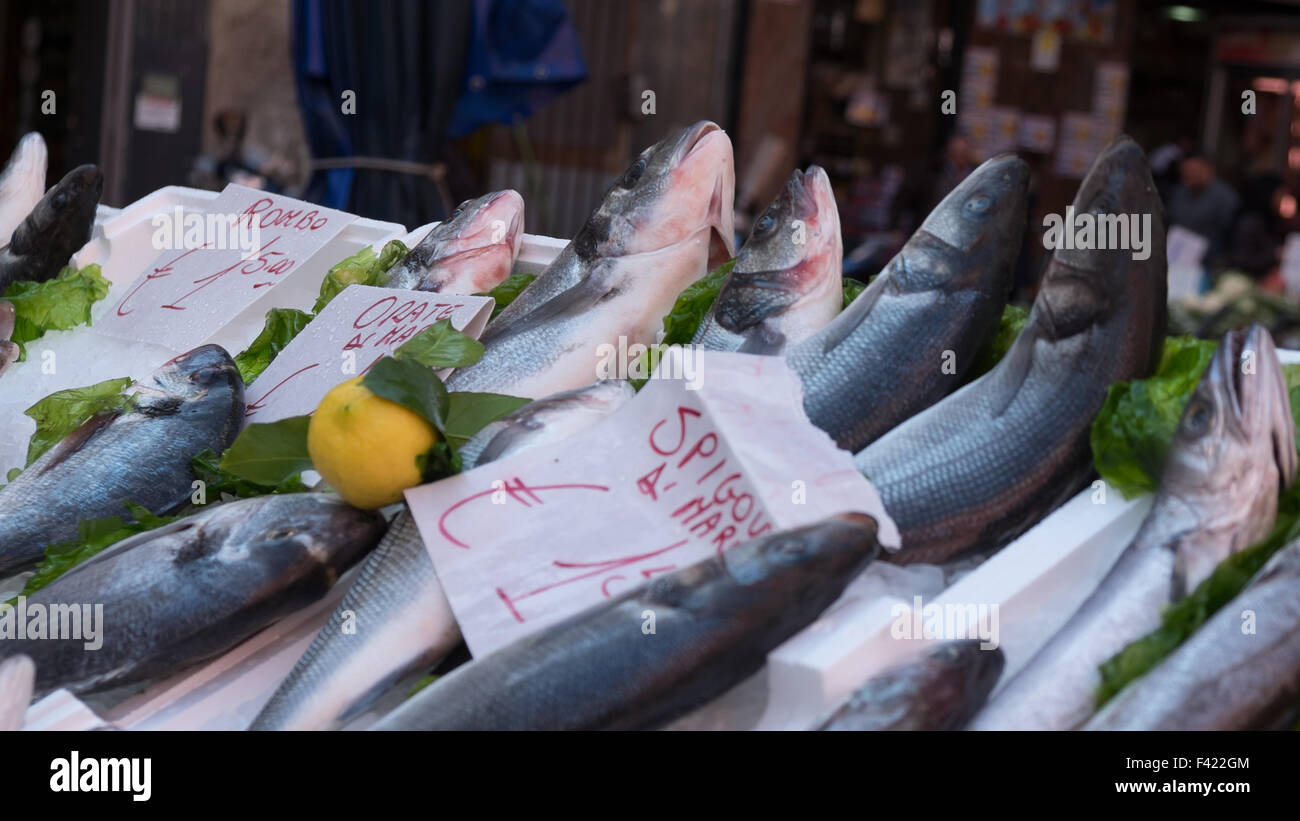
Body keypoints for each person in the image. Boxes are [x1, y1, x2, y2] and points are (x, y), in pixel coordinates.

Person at [1165, 151, 1240, 269]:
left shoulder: (1225, 197)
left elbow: (1232, 234)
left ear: (1209, 170)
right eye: (1186, 172)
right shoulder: (1178, 193)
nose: (1190, 175)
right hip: (1177, 258)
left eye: (1195, 170)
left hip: (1211, 262)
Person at [929, 134, 976, 212]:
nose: (960, 158)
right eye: (956, 153)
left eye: (963, 153)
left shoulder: (975, 175)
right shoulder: (936, 173)